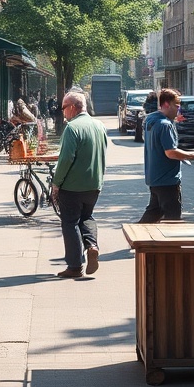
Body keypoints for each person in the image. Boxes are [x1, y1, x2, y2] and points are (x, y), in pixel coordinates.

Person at [51, 91, 108, 278]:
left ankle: (75, 266)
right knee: (87, 216)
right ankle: (92, 245)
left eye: (64, 107)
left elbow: (66, 159)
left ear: (73, 107)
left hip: (73, 185)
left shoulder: (72, 128)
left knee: (70, 222)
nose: (62, 112)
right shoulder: (99, 125)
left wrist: (56, 183)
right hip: (94, 184)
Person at [138, 88, 194, 223]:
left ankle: (138, 241)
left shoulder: (151, 120)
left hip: (155, 178)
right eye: (176, 107)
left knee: (153, 213)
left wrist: (174, 120)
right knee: (173, 219)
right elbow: (171, 152)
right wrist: (192, 155)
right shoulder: (165, 125)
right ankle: (169, 244)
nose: (178, 110)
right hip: (167, 180)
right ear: (166, 104)